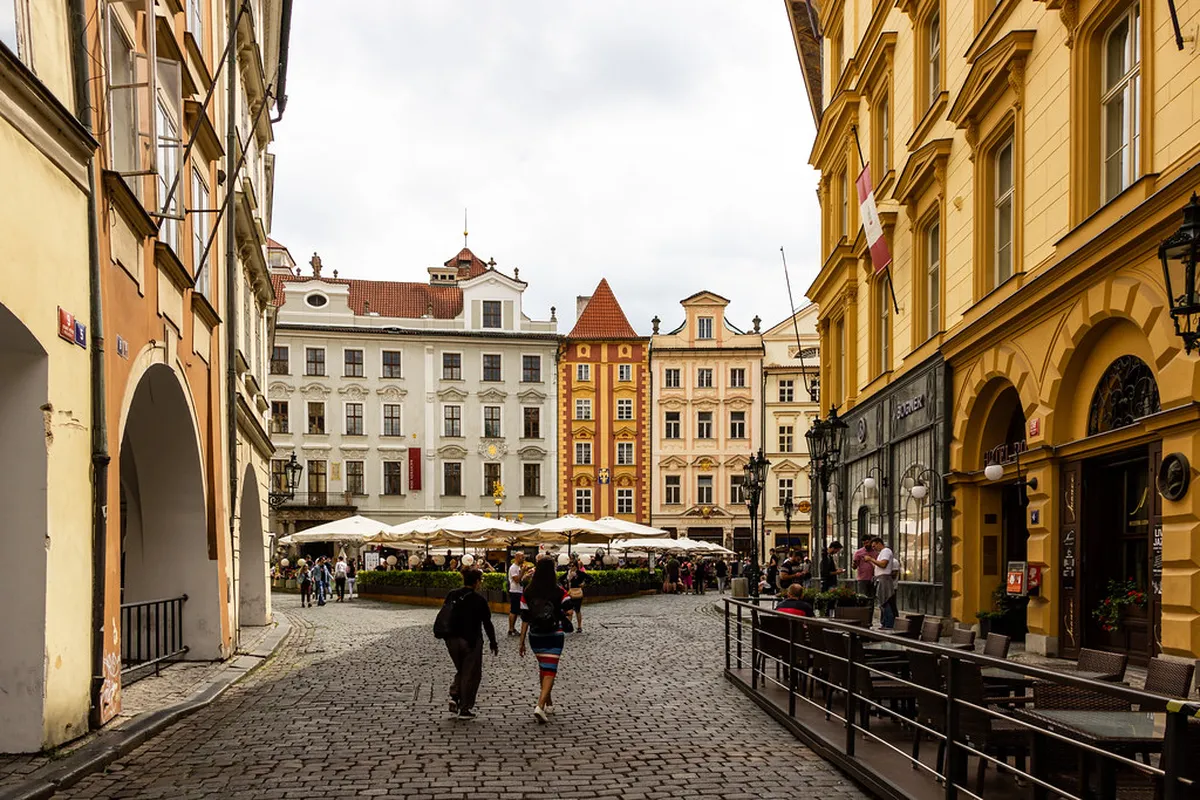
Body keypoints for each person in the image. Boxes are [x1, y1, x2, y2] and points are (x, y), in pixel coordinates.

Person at [519, 557, 573, 723]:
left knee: (544, 667)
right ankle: (540, 705)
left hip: (535, 635)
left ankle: (548, 702)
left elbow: (525, 618)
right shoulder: (558, 591)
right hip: (553, 633)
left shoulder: (528, 591)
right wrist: (564, 619)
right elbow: (570, 609)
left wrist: (521, 642)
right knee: (550, 670)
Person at [443, 568, 499, 720]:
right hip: (471, 640)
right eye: (480, 580)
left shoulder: (452, 594)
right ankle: (465, 708)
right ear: (476, 582)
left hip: (451, 639)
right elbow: (487, 623)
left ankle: (455, 696)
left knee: (462, 669)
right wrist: (493, 642)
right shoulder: (479, 600)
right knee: (472, 674)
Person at [865, 537, 897, 629]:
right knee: (882, 602)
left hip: (884, 579)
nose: (874, 548)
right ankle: (885, 623)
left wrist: (871, 559)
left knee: (885, 601)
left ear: (879, 543)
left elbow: (883, 564)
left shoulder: (886, 551)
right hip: (879, 578)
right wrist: (871, 562)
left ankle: (888, 623)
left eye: (874, 546)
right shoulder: (881, 554)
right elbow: (878, 566)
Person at [559, 559, 591, 632]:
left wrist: (583, 584)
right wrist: (565, 585)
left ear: (576, 566)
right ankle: (568, 625)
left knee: (577, 610)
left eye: (572, 565)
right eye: (570, 565)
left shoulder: (580, 573)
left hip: (577, 593)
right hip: (569, 593)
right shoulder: (568, 573)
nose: (571, 567)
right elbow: (560, 579)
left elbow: (590, 578)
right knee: (569, 609)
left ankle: (579, 627)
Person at [507, 552, 527, 636]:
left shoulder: (518, 567)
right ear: (517, 557)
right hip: (515, 591)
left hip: (519, 591)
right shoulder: (513, 568)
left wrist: (527, 575)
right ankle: (511, 629)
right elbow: (517, 580)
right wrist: (523, 571)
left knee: (515, 611)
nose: (523, 559)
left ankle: (512, 628)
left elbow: (521, 579)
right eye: (522, 557)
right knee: (513, 611)